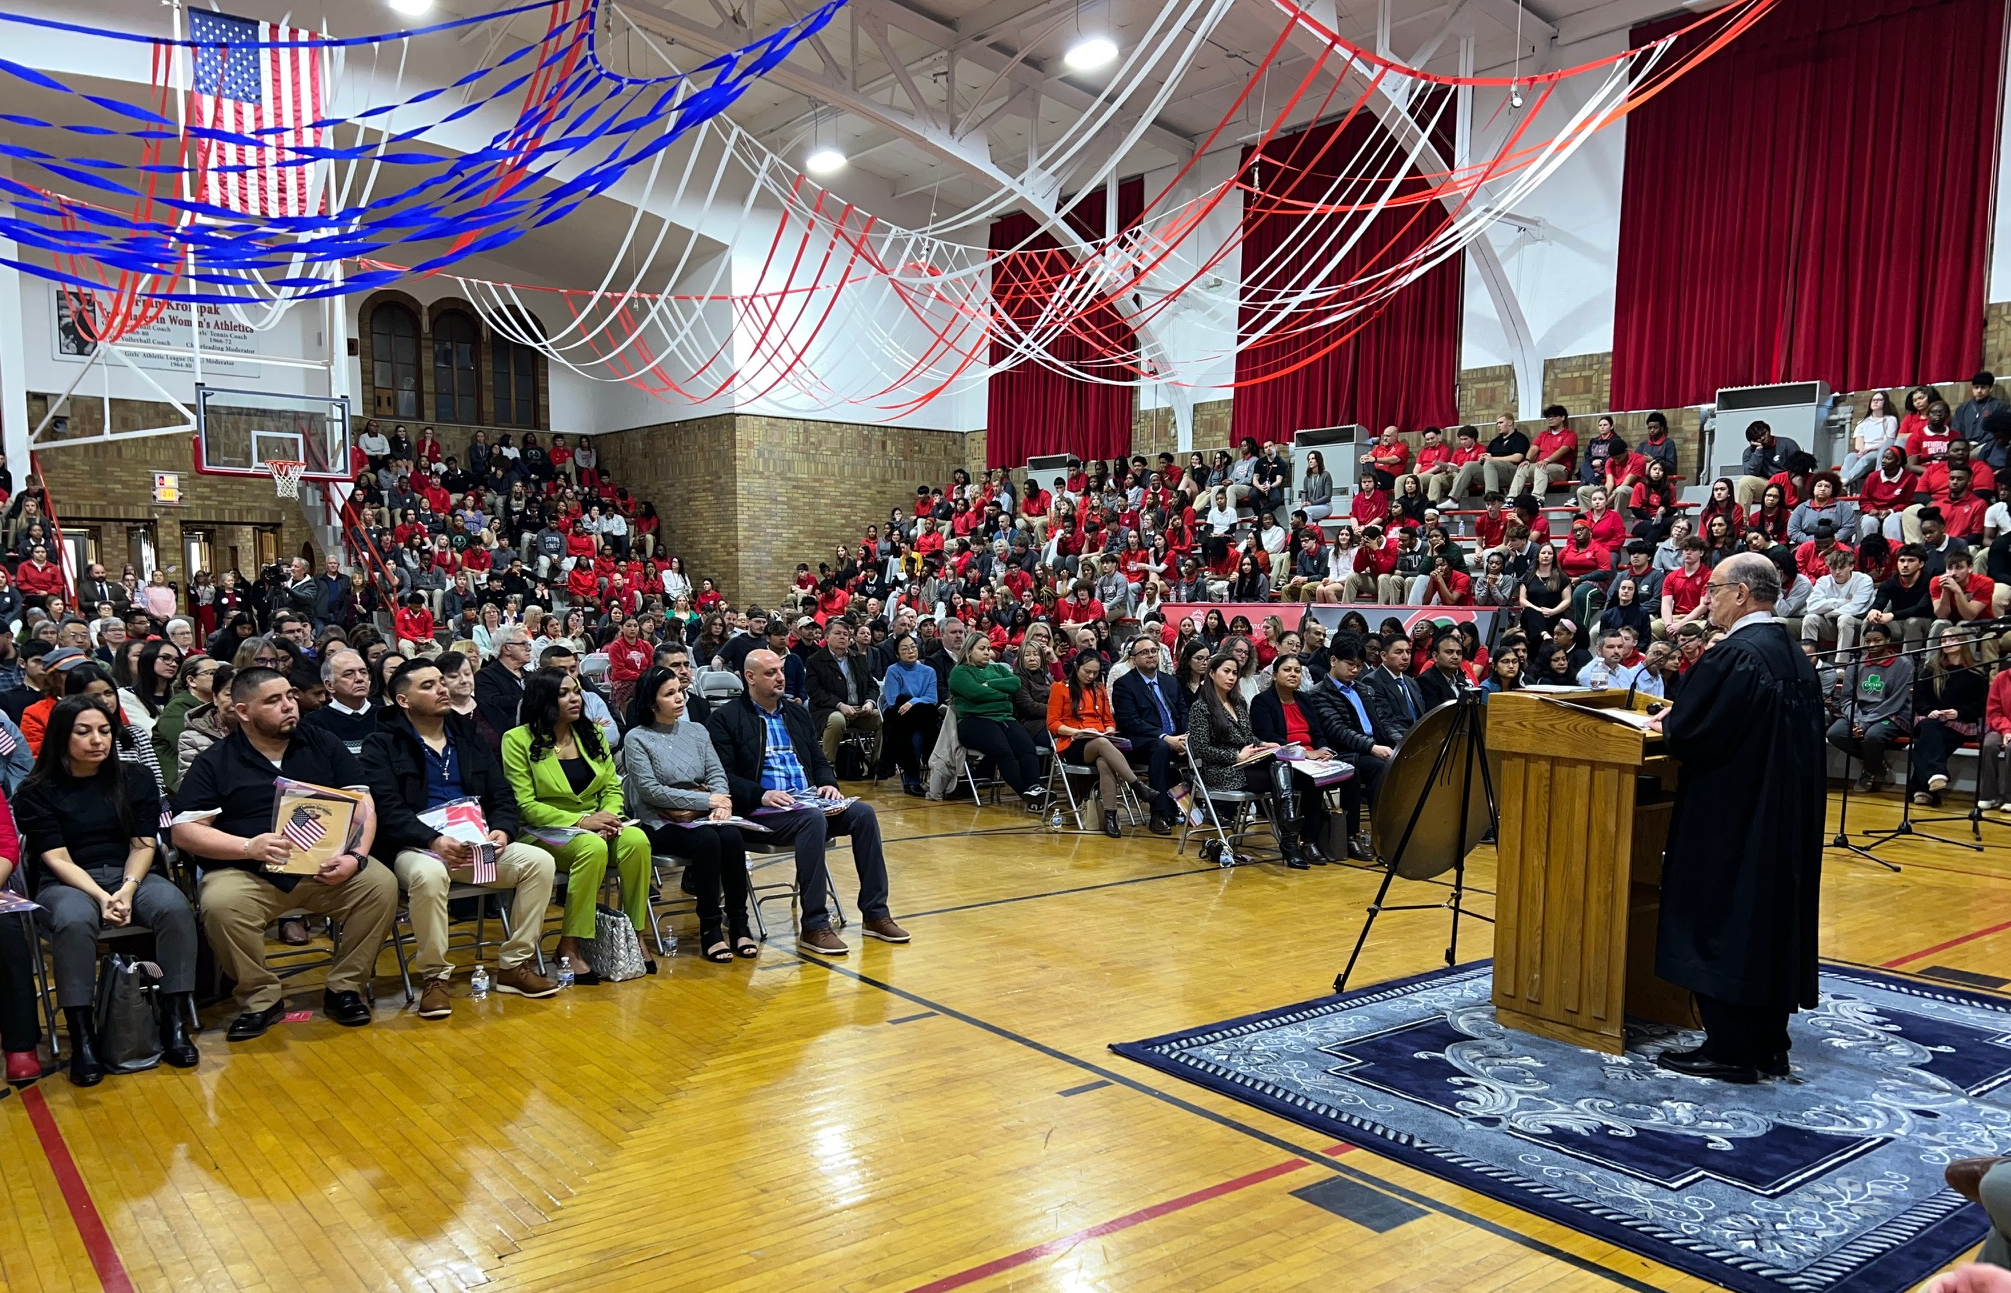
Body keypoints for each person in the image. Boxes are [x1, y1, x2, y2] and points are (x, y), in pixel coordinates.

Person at [1651, 551, 1824, 1083]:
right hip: (1782, 818)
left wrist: (1670, 722)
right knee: (1768, 919)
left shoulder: (1738, 655)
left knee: (1724, 913)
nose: (1708, 599)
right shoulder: (1790, 655)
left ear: (1742, 594)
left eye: (1715, 589)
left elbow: (1693, 733)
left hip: (1733, 816)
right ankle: (1768, 1043)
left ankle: (1729, 1048)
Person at [171, 668, 399, 1041]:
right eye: (274, 701)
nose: (289, 706)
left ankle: (345, 988)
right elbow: (184, 831)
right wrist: (247, 846)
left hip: (325, 867)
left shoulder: (321, 741)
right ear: (243, 711)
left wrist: (356, 856)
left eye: (290, 696)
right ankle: (261, 999)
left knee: (380, 885)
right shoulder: (216, 760)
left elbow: (363, 803)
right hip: (250, 871)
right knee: (220, 903)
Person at [361, 659, 559, 1019]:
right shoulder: (382, 743)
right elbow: (388, 810)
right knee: (429, 874)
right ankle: (435, 977)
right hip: (416, 847)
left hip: (474, 846)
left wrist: (503, 829)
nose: (442, 689)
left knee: (539, 862)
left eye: (441, 682)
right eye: (428, 685)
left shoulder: (467, 736)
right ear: (403, 700)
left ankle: (514, 965)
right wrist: (432, 840)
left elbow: (502, 795)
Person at [17, 697, 197, 1085]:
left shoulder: (135, 778)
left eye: (103, 730)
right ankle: (83, 1035)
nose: (97, 740)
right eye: (84, 732)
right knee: (73, 919)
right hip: (67, 880)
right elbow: (57, 858)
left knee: (175, 907)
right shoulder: (37, 789)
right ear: (61, 736)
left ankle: (174, 1021)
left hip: (130, 872)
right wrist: (102, 897)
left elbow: (143, 844)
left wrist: (127, 891)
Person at [707, 649, 909, 957]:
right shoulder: (725, 718)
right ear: (749, 677)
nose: (780, 677)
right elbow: (723, 775)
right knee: (812, 819)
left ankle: (875, 913)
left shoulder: (796, 713)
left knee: (864, 814)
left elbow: (818, 760)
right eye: (770, 672)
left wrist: (828, 783)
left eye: (780, 670)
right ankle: (814, 925)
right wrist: (761, 793)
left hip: (806, 802)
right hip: (763, 811)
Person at [501, 668, 653, 982]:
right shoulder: (517, 740)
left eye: (576, 690)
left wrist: (609, 817)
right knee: (592, 846)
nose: (575, 698)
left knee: (637, 840)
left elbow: (612, 787)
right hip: (544, 832)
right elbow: (525, 805)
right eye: (564, 693)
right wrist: (582, 821)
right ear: (543, 700)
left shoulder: (592, 734)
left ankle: (637, 935)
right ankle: (569, 944)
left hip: (597, 826)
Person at [622, 666, 755, 963]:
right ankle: (709, 928)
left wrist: (722, 804)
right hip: (658, 821)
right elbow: (650, 791)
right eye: (670, 694)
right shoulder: (637, 738)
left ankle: (738, 923)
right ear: (652, 703)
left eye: (680, 691)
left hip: (698, 813)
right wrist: (706, 798)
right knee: (708, 839)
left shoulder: (697, 730)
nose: (680, 698)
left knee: (732, 836)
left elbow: (717, 773)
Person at [1247, 653, 1343, 867]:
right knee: (1313, 782)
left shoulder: (1304, 699)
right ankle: (1303, 841)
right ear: (1274, 675)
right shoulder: (1262, 701)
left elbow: (1318, 732)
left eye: (1297, 671)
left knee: (1350, 772)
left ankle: (1350, 837)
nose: (1293, 674)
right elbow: (1267, 736)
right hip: (1282, 759)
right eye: (1287, 670)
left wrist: (1323, 749)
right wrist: (1304, 753)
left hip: (1313, 758)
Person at [1047, 649, 1146, 840]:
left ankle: (1110, 817)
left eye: (1095, 672)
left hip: (1101, 742)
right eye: (1087, 672)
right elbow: (1052, 723)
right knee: (1100, 743)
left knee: (1104, 761)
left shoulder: (1099, 689)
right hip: (1074, 743)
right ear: (1076, 667)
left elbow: (1109, 721)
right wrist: (1076, 732)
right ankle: (1136, 784)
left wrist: (1109, 730)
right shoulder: (1060, 688)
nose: (1091, 676)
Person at [948, 634, 1048, 807]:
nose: (987, 652)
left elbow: (1015, 684)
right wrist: (1002, 693)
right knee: (1004, 751)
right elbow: (975, 693)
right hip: (974, 720)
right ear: (970, 651)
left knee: (1027, 747)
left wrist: (989, 685)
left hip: (1004, 718)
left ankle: (1035, 787)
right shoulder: (960, 672)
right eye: (982, 649)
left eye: (988, 648)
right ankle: (1027, 794)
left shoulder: (997, 668)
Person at [1111, 634, 1188, 836]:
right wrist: (1165, 737)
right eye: (1144, 652)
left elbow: (1183, 712)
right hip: (1142, 744)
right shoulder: (1124, 685)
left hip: (1177, 740)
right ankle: (1158, 813)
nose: (1151, 656)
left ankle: (1217, 808)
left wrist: (1186, 736)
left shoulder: (1170, 681)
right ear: (1133, 658)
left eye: (1154, 651)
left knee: (1209, 744)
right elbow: (1131, 722)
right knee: (1160, 748)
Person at [1907, 626, 1987, 807]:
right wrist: (1929, 711)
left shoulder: (1975, 673)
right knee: (1929, 727)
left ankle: (1920, 788)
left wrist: (1959, 713)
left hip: (1960, 724)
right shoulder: (1931, 670)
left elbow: (1979, 706)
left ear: (1963, 642)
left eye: (1952, 640)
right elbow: (1919, 699)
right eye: (1943, 641)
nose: (1947, 644)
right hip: (1932, 720)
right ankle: (1936, 774)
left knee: (1924, 743)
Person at [807, 618, 880, 772]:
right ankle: (827, 767)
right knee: (837, 720)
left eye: (846, 634)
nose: (842, 637)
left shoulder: (858, 658)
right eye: (838, 633)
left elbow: (872, 685)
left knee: (883, 720)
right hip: (828, 710)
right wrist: (840, 705)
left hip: (859, 709)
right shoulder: (815, 660)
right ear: (826, 637)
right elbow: (815, 692)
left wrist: (869, 702)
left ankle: (876, 765)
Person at [879, 634, 940, 797]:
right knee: (911, 728)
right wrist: (912, 703)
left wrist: (913, 702)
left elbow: (932, 699)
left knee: (928, 719)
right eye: (904, 649)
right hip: (898, 713)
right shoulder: (893, 670)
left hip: (920, 712)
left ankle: (918, 775)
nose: (910, 651)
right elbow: (893, 700)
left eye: (913, 647)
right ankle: (912, 777)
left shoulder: (929, 671)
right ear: (897, 654)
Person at [301, 648, 378, 756]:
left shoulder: (386, 716)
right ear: (329, 685)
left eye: (363, 672)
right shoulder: (314, 724)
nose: (360, 679)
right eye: (348, 674)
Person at [474, 626, 532, 749]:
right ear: (506, 649)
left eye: (528, 644)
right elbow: (494, 705)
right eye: (523, 644)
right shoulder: (485, 676)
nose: (529, 648)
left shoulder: (531, 676)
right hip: (507, 742)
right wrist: (531, 698)